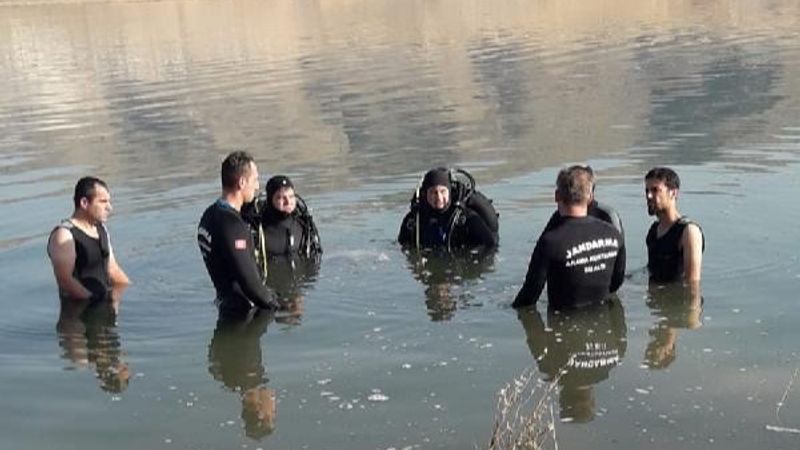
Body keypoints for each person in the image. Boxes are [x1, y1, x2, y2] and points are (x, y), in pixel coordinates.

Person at [512, 165, 625, 309]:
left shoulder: (550, 242)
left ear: (557, 196)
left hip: (561, 321)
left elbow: (529, 297)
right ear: (589, 197)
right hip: (601, 318)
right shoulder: (613, 234)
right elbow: (616, 282)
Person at [198, 151, 280, 319]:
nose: (257, 186)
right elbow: (251, 285)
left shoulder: (209, 216)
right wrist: (279, 307)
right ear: (242, 182)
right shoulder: (233, 226)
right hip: (243, 316)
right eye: (255, 180)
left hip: (225, 306)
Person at [518, 298, 627, 422]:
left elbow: (618, 313)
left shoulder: (614, 358)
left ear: (593, 399)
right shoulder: (552, 368)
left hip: (590, 300)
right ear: (562, 397)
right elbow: (533, 331)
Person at [47, 177, 130, 303]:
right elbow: (66, 281)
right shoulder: (64, 235)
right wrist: (95, 302)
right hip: (79, 314)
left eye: (109, 202)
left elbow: (113, 269)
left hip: (105, 307)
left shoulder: (101, 229)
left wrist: (132, 292)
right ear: (84, 203)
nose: (109, 208)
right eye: (103, 202)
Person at [398, 167, 498, 251]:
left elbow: (490, 245)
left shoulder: (466, 218)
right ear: (425, 194)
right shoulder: (414, 220)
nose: (439, 197)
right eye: (433, 192)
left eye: (443, 191)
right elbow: (402, 246)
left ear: (450, 192)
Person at [644, 167, 704, 283]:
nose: (649, 196)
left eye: (655, 190)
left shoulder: (689, 232)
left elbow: (693, 285)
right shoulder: (654, 231)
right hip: (654, 298)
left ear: (673, 193)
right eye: (647, 191)